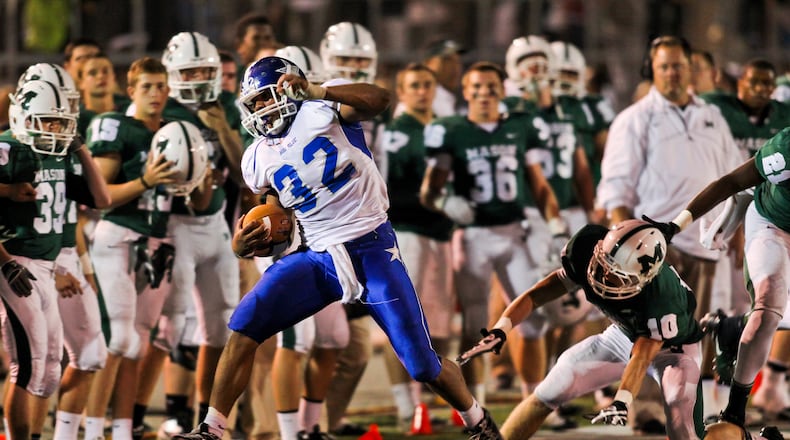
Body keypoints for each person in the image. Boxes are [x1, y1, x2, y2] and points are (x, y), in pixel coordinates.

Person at [174, 55, 503, 440]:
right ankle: (212, 428)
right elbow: (273, 211)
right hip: (316, 255)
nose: (261, 109)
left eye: (265, 97)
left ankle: (477, 420)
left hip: (372, 249)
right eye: (254, 103)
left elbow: (378, 99)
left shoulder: (322, 110)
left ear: (288, 88)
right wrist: (241, 241)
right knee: (245, 324)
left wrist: (318, 90)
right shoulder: (257, 156)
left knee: (421, 365)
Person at [596, 36, 745, 416]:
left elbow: (733, 176)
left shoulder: (710, 114)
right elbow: (617, 187)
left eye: (680, 65)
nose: (673, 73)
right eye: (665, 66)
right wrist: (624, 249)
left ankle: (697, 409)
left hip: (709, 240)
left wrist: (739, 230)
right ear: (652, 70)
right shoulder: (634, 119)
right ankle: (647, 408)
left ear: (692, 69)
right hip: (656, 246)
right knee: (653, 332)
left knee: (701, 332)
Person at [458, 219, 705, 439]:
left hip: (674, 352)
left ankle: (733, 432)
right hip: (622, 334)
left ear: (643, 279)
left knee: (682, 426)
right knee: (551, 388)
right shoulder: (586, 248)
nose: (603, 275)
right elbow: (538, 294)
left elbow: (641, 357)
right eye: (604, 262)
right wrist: (501, 328)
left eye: (615, 275)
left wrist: (621, 400)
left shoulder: (663, 299)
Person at [420, 61, 564, 413]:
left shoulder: (519, 126)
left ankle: (534, 402)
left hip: (515, 233)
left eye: (491, 87)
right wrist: (445, 201)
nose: (484, 94)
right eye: (477, 88)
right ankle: (474, 408)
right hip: (472, 237)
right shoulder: (450, 130)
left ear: (502, 91)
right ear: (465, 92)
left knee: (532, 319)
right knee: (475, 325)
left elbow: (539, 185)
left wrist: (557, 226)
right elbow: (428, 192)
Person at [81, 57, 210, 440]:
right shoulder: (117, 126)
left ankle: (122, 430)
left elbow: (199, 204)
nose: (156, 94)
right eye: (147, 86)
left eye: (161, 86)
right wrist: (146, 179)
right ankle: (90, 430)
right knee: (118, 339)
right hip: (118, 235)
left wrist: (201, 178)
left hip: (157, 242)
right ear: (132, 89)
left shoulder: (177, 131)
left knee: (138, 343)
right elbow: (98, 196)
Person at [642, 123, 790, 436]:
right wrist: (676, 225)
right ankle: (735, 410)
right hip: (773, 224)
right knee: (768, 307)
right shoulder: (785, 150)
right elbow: (734, 180)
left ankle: (734, 328)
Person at [128, 32, 243, 437]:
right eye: (189, 70)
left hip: (217, 224)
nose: (197, 77)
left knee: (223, 325)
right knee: (169, 328)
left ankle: (205, 421)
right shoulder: (162, 106)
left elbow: (247, 173)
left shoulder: (226, 104)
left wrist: (222, 129)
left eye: (204, 70)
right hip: (173, 225)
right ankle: (134, 416)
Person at [0, 79, 110, 439]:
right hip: (16, 260)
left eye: (59, 122)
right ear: (24, 115)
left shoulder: (55, 152)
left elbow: (102, 198)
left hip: (47, 265)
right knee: (28, 367)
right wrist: (8, 192)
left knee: (48, 370)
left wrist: (79, 148)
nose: (54, 130)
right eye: (47, 121)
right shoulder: (7, 147)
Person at [379, 62, 456, 433]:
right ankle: (406, 405)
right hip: (409, 233)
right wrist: (438, 201)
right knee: (404, 319)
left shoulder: (442, 126)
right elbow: (390, 194)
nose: (423, 91)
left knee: (439, 325)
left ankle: (430, 402)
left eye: (427, 84)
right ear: (402, 91)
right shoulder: (396, 133)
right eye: (415, 86)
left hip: (442, 235)